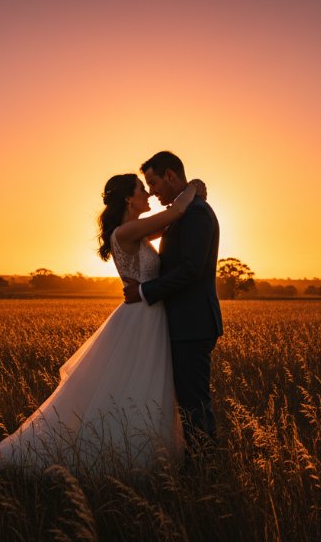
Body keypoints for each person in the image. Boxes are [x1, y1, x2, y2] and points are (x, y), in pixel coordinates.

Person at [0, 171, 206, 473]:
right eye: (141, 190)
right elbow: (175, 212)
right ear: (128, 198)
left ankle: (143, 454)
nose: (148, 194)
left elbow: (172, 221)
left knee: (140, 387)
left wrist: (186, 204)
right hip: (141, 319)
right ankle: (123, 458)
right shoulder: (125, 233)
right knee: (134, 386)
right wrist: (192, 188)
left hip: (148, 316)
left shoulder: (133, 231)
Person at [122, 151, 223, 454]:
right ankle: (199, 463)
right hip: (183, 324)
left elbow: (191, 269)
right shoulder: (183, 213)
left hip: (193, 324)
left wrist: (144, 292)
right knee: (189, 400)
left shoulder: (196, 214)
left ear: (169, 176)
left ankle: (205, 468)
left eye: (153, 182)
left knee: (194, 402)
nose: (151, 190)